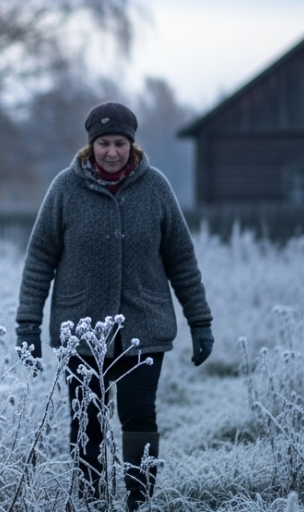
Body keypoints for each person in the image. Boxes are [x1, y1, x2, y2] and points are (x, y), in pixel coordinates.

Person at [16, 101, 214, 511]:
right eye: (103, 143)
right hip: (81, 332)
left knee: (139, 417)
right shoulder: (65, 190)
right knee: (87, 422)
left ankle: (138, 503)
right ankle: (91, 502)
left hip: (143, 329)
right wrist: (27, 329)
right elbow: (39, 261)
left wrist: (200, 322)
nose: (111, 151)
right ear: (90, 146)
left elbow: (181, 259)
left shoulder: (156, 188)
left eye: (120, 143)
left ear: (132, 145)